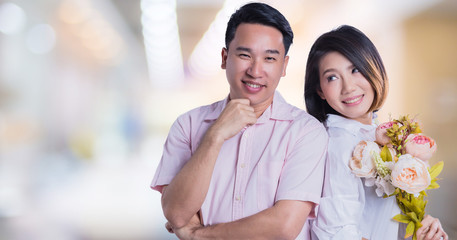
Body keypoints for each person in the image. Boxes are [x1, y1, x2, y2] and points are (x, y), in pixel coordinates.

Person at [151, 2, 328, 239]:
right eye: (245, 55)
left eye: (269, 59)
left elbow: (283, 225)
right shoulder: (189, 125)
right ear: (225, 58)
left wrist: (198, 235)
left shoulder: (306, 132)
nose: (255, 71)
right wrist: (214, 136)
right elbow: (176, 213)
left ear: (283, 66)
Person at [304, 25, 448, 240]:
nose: (349, 87)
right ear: (320, 91)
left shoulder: (378, 134)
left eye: (355, 70)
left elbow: (384, 221)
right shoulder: (339, 143)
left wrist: (421, 230)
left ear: (373, 68)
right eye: (332, 77)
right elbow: (337, 232)